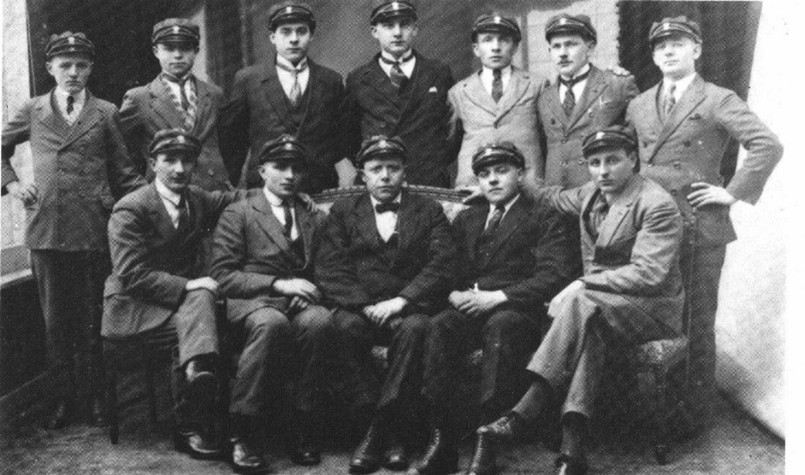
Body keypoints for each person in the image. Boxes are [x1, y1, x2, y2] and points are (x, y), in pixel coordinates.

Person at [466, 126, 685, 475]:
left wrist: (583, 282)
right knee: (589, 329)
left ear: (633, 160)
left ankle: (526, 410)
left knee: (580, 304)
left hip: (651, 308)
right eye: (595, 163)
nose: (603, 171)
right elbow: (551, 197)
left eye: (612, 161)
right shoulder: (590, 192)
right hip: (602, 308)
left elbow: (648, 274)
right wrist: (494, 187)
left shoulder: (656, 203)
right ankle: (573, 450)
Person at [625, 16, 783, 434]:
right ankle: (652, 409)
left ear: (696, 50)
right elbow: (627, 159)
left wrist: (731, 192)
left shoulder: (716, 98)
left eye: (678, 44)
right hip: (649, 228)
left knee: (695, 319)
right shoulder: (639, 104)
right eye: (661, 46)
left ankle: (693, 414)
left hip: (697, 226)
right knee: (656, 316)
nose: (668, 51)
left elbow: (767, 144)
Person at [1, 31, 146, 429]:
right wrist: (12, 185)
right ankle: (61, 400)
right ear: (50, 67)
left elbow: (124, 170)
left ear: (91, 68)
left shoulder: (104, 111)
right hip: (47, 229)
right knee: (55, 324)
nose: (73, 73)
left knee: (92, 319)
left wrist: (152, 205)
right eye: (65, 65)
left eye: (81, 65)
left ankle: (96, 397)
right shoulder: (33, 110)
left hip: (92, 228)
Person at [316, 135, 457, 474]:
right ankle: (388, 432)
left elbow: (442, 263)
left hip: (408, 308)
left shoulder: (428, 210)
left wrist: (402, 301)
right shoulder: (343, 211)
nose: (385, 176)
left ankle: (378, 433)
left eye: (393, 168)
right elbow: (330, 267)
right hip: (359, 309)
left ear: (404, 171)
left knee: (417, 329)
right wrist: (365, 305)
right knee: (342, 328)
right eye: (376, 168)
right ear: (362, 174)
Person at [102, 129, 243, 460]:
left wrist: (285, 193)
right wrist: (188, 285)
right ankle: (189, 424)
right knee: (199, 303)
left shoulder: (195, 199)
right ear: (153, 163)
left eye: (187, 161)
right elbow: (132, 274)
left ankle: (199, 379)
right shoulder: (131, 208)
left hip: (181, 306)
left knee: (202, 307)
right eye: (169, 160)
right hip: (134, 305)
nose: (179, 169)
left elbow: (235, 198)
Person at [210, 135, 335, 471]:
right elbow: (222, 275)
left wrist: (310, 292)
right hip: (252, 303)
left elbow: (329, 269)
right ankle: (242, 431)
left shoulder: (315, 217)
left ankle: (302, 425)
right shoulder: (239, 213)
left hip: (300, 303)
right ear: (262, 170)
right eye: (280, 167)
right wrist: (278, 285)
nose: (289, 175)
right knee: (271, 323)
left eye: (296, 168)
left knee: (320, 321)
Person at [219, 1, 348, 193]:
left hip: (318, 188)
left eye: (301, 31)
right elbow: (232, 141)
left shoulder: (331, 81)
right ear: (273, 37)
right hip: (265, 190)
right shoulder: (248, 80)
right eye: (285, 32)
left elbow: (342, 139)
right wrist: (231, 182)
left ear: (311, 35)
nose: (294, 39)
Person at [340, 0, 456, 187]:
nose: (397, 33)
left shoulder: (438, 73)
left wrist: (432, 162)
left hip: (428, 179)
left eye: (405, 25)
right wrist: (372, 164)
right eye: (388, 26)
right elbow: (347, 137)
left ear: (415, 29)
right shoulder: (358, 79)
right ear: (374, 31)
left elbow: (453, 131)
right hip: (379, 183)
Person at [119, 18, 231, 191]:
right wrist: (143, 190)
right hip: (164, 193)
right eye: (169, 48)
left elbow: (231, 146)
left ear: (196, 51)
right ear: (156, 51)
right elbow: (119, 154)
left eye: (185, 48)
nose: (177, 55)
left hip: (212, 193)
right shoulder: (139, 98)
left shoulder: (214, 94)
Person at [538, 14, 639, 188]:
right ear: (549, 52)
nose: (563, 53)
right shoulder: (544, 97)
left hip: (600, 192)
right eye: (556, 46)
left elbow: (640, 144)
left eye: (571, 44)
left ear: (590, 47)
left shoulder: (617, 85)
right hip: (555, 195)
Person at [448, 14, 543, 197]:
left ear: (515, 47)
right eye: (487, 40)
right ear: (476, 49)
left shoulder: (536, 85)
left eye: (504, 40)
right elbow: (450, 146)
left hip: (525, 189)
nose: (496, 47)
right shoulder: (458, 92)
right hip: (472, 187)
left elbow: (547, 141)